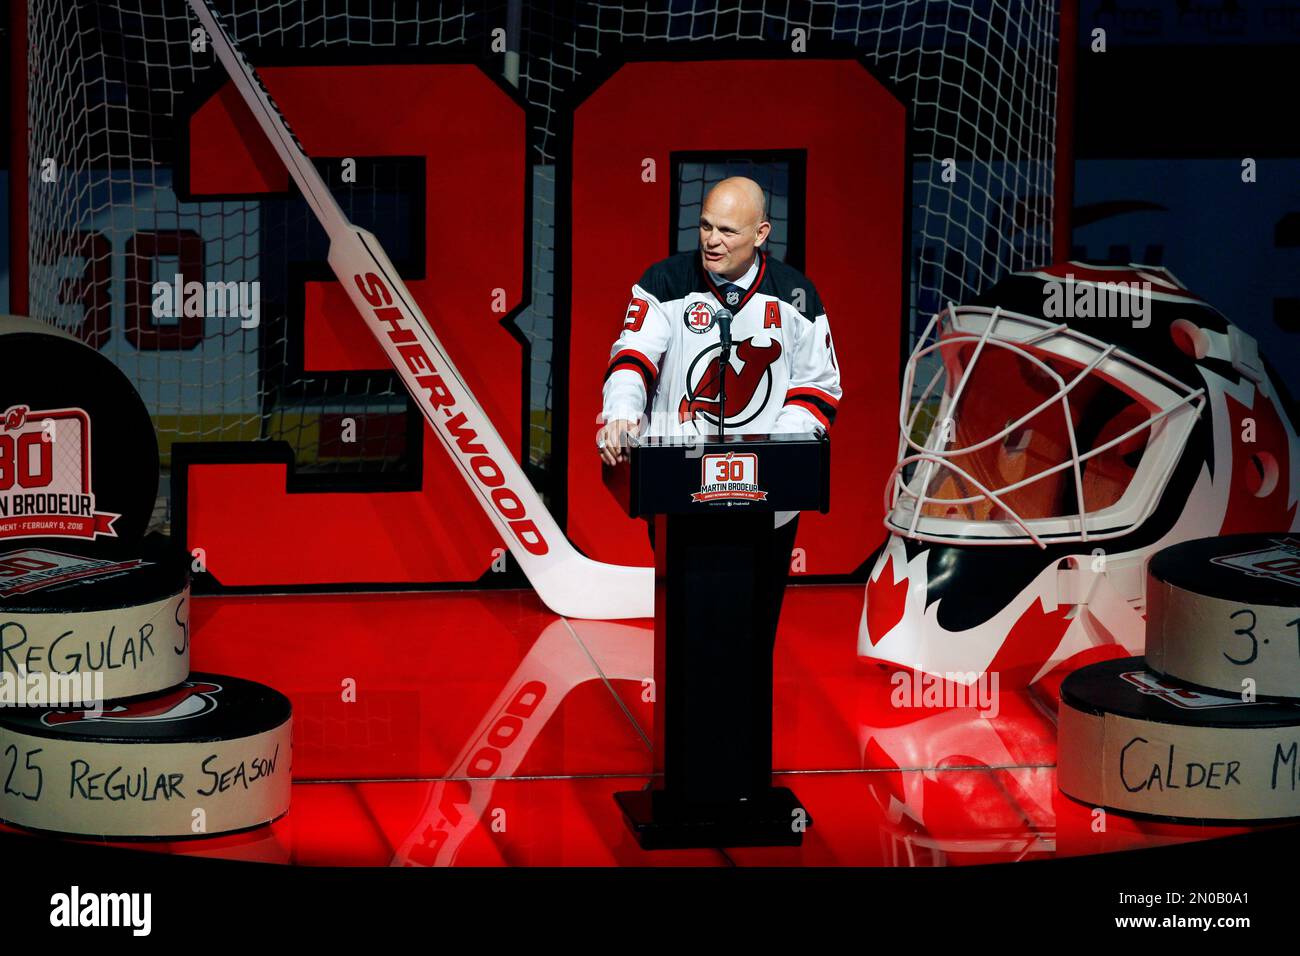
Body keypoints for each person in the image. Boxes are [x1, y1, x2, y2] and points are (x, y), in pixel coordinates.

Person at [596, 175, 842, 620]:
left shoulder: (795, 295)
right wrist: (622, 413)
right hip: (679, 486)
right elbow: (632, 358)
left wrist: (772, 455)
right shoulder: (665, 281)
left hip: (767, 499)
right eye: (706, 226)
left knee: (753, 627)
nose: (713, 241)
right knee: (687, 624)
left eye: (728, 231)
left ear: (761, 234)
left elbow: (817, 387)